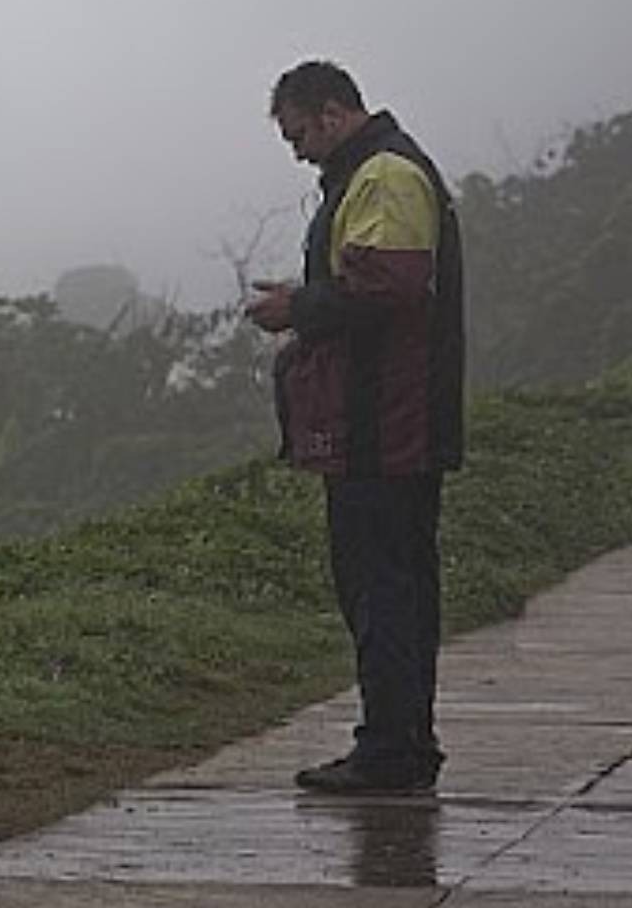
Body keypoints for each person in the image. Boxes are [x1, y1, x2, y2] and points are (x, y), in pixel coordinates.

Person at [246, 60, 464, 795]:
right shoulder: (369, 176)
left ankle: (392, 752)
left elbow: (390, 285)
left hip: (384, 427)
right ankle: (399, 741)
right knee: (386, 587)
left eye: (299, 133)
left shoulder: (386, 176)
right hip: (383, 424)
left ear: (334, 113)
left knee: (382, 590)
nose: (298, 150)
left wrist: (297, 309)